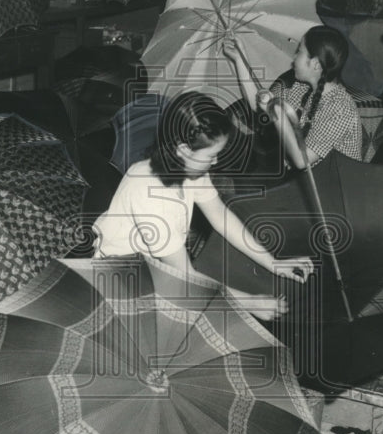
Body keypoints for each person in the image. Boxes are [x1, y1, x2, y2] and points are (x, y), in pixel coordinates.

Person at [92, 91, 313, 320]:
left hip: (159, 263)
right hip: (121, 278)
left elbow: (219, 215)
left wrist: (272, 262)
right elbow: (184, 278)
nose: (215, 161)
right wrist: (250, 303)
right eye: (211, 155)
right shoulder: (152, 199)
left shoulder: (189, 169)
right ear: (184, 150)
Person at [223, 24, 363, 170]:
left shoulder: (340, 108)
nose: (294, 58)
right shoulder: (300, 88)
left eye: (299, 52)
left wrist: (278, 114)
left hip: (337, 186)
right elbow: (256, 103)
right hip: (308, 179)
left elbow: (302, 161)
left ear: (315, 64)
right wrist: (240, 58)